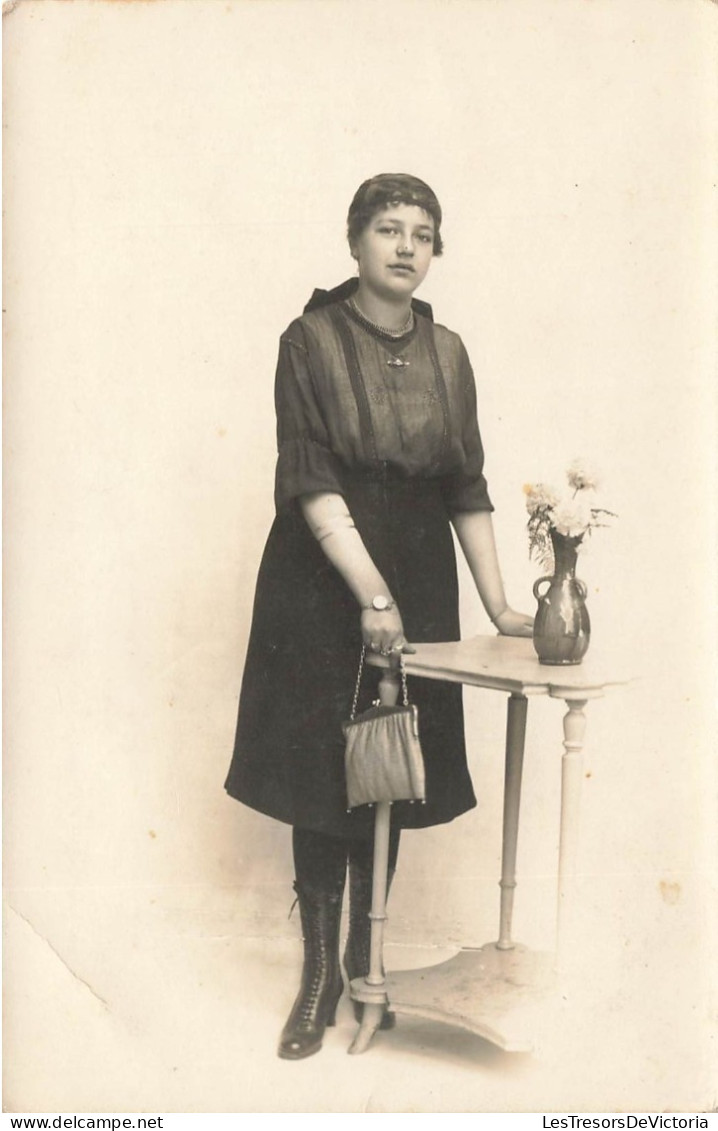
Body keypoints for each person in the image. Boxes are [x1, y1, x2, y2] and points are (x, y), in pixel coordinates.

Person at [225, 173, 534, 1060]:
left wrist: (500, 602)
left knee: (389, 776)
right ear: (355, 241)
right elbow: (310, 475)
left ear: (435, 252)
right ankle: (321, 977)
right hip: (324, 575)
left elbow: (464, 483)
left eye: (423, 233)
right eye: (389, 229)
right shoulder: (309, 340)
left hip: (419, 569)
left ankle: (372, 965)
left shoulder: (451, 351)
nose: (406, 246)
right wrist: (370, 596)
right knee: (325, 777)